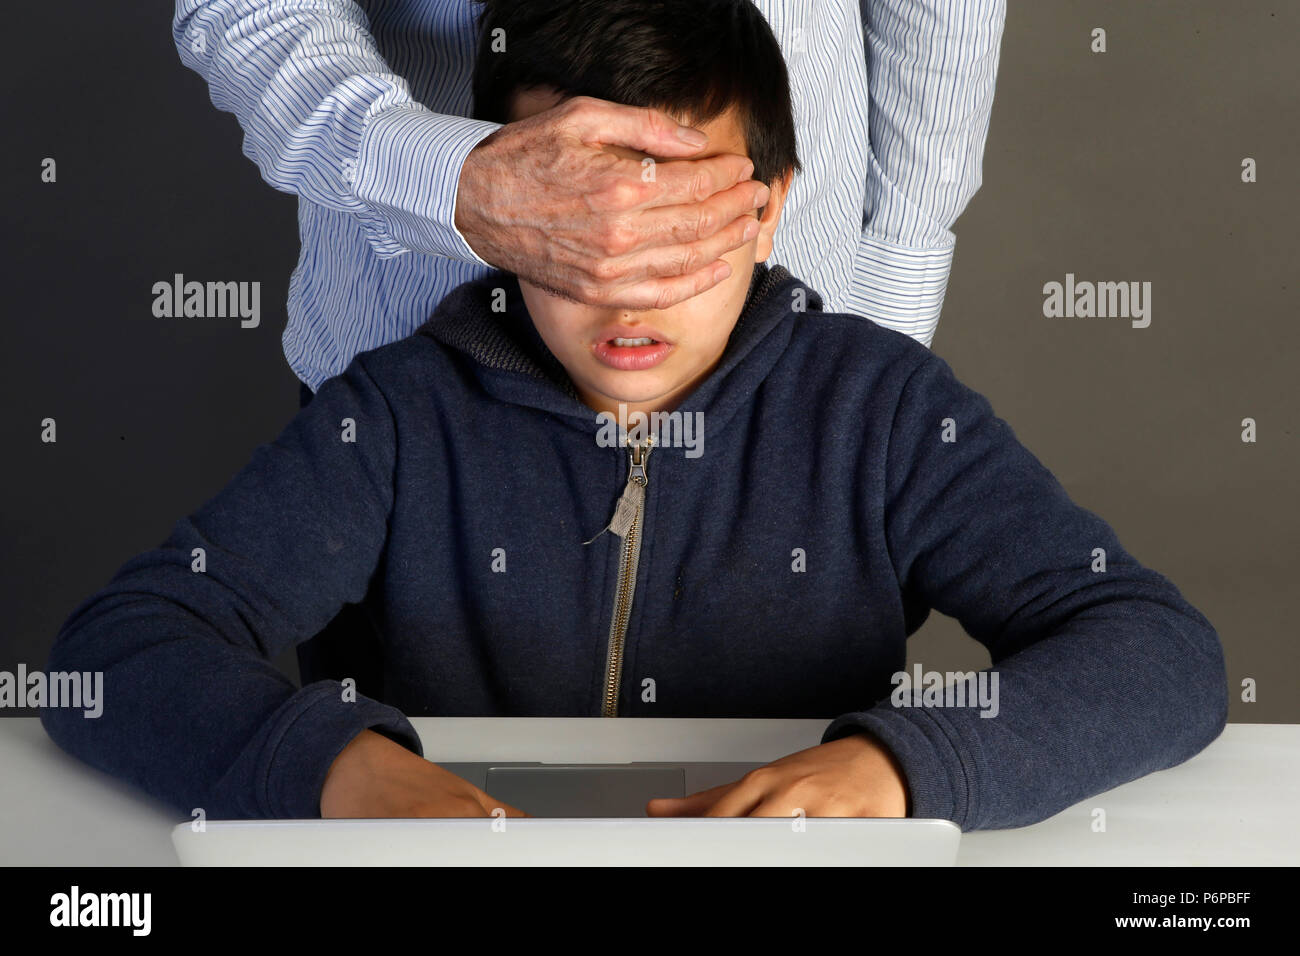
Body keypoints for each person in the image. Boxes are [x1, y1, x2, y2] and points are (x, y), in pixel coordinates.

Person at [42, 0, 1226, 830]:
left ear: (767, 215)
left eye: (680, 236)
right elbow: (115, 651)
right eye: (584, 230)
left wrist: (909, 763)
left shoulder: (877, 412)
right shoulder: (403, 412)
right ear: (519, 212)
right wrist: (326, 765)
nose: (625, 282)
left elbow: (1163, 655)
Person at [172, 0, 1007, 394]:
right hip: (412, 339)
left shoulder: (871, 427)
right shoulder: (375, 451)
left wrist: (884, 309)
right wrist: (449, 181)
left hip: (795, 369)